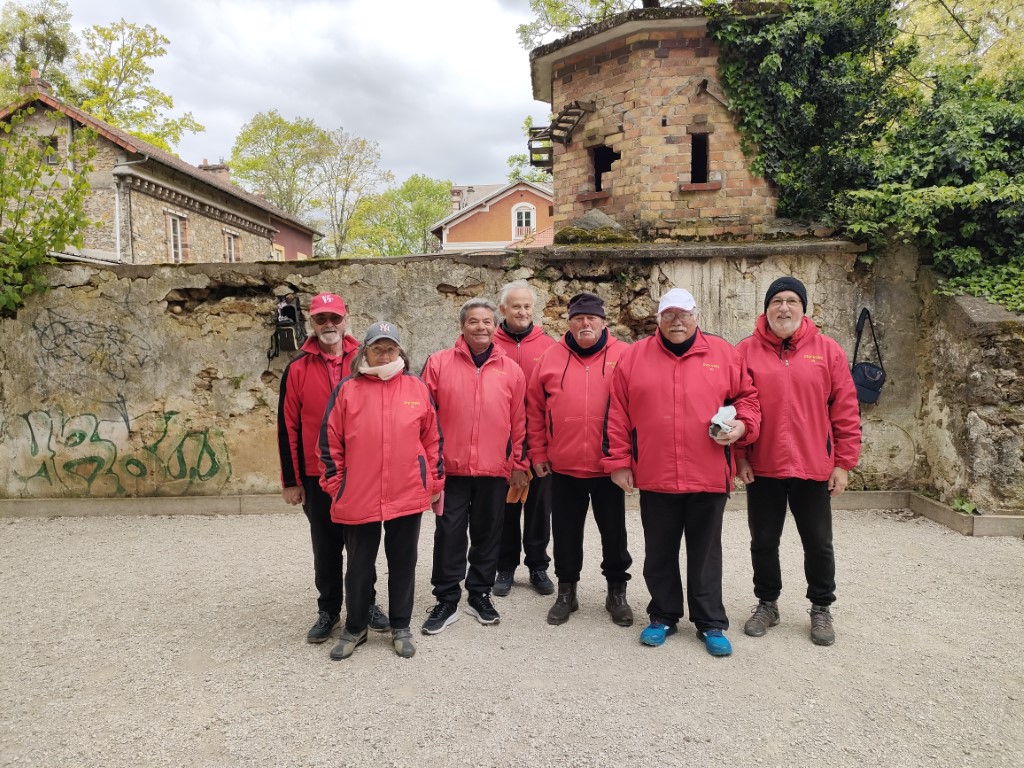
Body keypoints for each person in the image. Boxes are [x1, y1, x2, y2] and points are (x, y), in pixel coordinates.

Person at [602, 287, 760, 657]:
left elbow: (748, 399)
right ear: (658, 318)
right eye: (669, 314)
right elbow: (617, 414)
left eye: (683, 314)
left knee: (705, 552)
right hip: (655, 473)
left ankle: (710, 623)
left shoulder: (723, 354)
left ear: (696, 316)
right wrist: (620, 462)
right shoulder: (634, 357)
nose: (677, 321)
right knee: (659, 550)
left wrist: (741, 428)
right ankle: (663, 616)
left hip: (707, 473)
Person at [735, 277, 861, 646]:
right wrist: (740, 456)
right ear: (766, 308)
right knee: (763, 540)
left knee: (818, 543)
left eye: (792, 301)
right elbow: (736, 407)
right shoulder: (745, 351)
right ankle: (767, 603)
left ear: (803, 308)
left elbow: (846, 410)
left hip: (813, 466)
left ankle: (821, 607)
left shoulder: (828, 351)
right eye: (776, 301)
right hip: (764, 466)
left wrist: (843, 463)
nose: (784, 308)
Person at [319, 322, 444, 660]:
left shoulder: (416, 388)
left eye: (390, 348)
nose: (384, 353)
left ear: (400, 351)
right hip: (358, 493)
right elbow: (330, 443)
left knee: (403, 561)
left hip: (407, 491)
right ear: (366, 351)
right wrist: (337, 484)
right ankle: (355, 627)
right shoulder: (348, 389)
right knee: (359, 565)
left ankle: (400, 625)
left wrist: (433, 482)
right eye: (378, 348)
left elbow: (432, 440)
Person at [277, 292, 388, 644]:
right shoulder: (297, 368)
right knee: (325, 546)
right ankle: (328, 610)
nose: (329, 325)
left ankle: (366, 603)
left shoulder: (366, 358)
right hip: (316, 475)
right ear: (311, 322)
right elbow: (287, 427)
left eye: (334, 318)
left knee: (363, 545)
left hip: (362, 473)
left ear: (346, 319)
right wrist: (292, 481)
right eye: (321, 319)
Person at [420, 298, 529, 634]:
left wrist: (518, 464)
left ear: (495, 327)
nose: (480, 327)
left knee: (487, 534)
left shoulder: (511, 369)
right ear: (462, 326)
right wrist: (429, 467)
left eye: (486, 322)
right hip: (450, 470)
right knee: (449, 534)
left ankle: (479, 593)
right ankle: (447, 598)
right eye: (473, 322)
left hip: (494, 469)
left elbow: (520, 422)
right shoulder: (438, 363)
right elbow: (424, 418)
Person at [527, 292, 634, 627]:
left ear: (604, 321)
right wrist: (538, 452)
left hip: (609, 467)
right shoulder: (549, 357)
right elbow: (534, 410)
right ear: (569, 322)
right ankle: (566, 592)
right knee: (566, 532)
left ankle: (616, 593)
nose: (585, 323)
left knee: (614, 534)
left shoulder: (625, 355)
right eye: (578, 318)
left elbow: (638, 408)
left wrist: (629, 459)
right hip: (564, 465)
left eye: (592, 318)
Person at [492, 280, 557, 597]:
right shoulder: (488, 342)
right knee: (503, 510)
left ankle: (537, 565)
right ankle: (504, 565)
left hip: (538, 442)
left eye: (527, 306)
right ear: (502, 309)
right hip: (498, 444)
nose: (522, 311)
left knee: (538, 509)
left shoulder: (549, 347)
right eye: (515, 306)